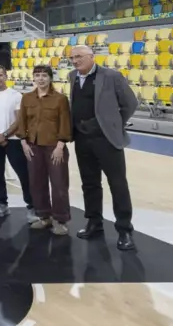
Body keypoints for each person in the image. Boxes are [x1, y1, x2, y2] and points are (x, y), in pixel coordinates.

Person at [68, 45, 139, 251]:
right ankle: (94, 222)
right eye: (72, 58)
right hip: (82, 137)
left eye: (79, 57)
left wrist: (113, 123)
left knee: (117, 184)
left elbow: (130, 104)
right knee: (89, 183)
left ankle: (124, 230)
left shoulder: (111, 76)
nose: (75, 61)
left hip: (106, 138)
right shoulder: (73, 76)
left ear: (92, 57)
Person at [17, 65, 72, 236]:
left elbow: (65, 123)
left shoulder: (60, 99)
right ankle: (44, 216)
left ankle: (60, 220)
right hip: (33, 146)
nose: (40, 79)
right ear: (33, 78)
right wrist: (24, 143)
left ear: (50, 78)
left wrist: (60, 146)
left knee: (59, 184)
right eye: (37, 75)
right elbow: (22, 121)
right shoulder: (26, 98)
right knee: (36, 182)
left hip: (54, 147)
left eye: (44, 75)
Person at [0, 64, 34, 221]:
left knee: (23, 174)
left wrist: (4, 135)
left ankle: (31, 206)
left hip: (13, 140)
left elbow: (19, 120)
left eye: (0, 75)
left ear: (6, 76)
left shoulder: (16, 95)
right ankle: (2, 204)